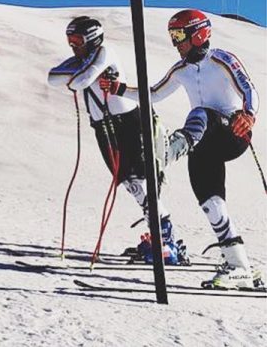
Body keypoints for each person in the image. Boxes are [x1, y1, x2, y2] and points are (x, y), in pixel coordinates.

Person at [100, 9, 262, 290]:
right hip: (202, 142)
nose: (175, 43)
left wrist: (248, 114)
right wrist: (119, 89)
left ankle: (169, 151)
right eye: (172, 37)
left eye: (179, 36)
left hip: (231, 132)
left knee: (202, 112)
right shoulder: (181, 70)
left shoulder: (222, 60)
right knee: (210, 201)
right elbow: (154, 94)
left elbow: (249, 89)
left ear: (198, 34)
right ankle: (239, 266)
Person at [48, 16, 186, 264]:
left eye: (77, 40)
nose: (73, 46)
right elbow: (52, 78)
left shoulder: (104, 52)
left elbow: (81, 80)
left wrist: (75, 74)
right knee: (129, 183)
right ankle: (158, 235)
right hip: (104, 127)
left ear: (91, 38)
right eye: (70, 40)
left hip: (130, 122)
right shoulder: (82, 59)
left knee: (144, 181)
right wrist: (77, 72)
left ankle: (167, 240)